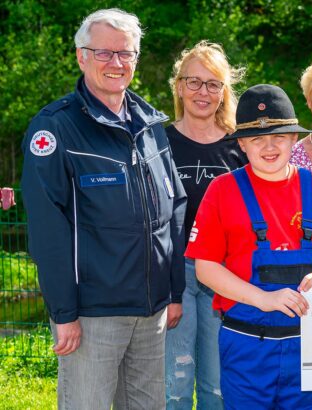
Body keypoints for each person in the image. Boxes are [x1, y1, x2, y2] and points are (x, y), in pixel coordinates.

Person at [21, 8, 186, 409]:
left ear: (136, 60)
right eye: (104, 53)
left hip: (152, 313)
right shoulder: (56, 128)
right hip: (92, 315)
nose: (116, 63)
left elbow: (174, 209)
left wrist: (174, 290)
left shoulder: (150, 126)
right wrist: (64, 311)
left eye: (126, 54)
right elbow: (48, 231)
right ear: (81, 56)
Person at [185, 84, 312, 409]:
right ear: (242, 145)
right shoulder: (222, 190)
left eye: (278, 136)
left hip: (305, 342)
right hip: (246, 343)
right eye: (257, 140)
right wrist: (263, 299)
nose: (269, 147)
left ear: (294, 139)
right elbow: (205, 267)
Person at [164, 40, 247, 409]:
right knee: (175, 385)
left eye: (213, 84)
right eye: (194, 82)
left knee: (217, 387)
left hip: (224, 272)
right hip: (175, 271)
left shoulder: (239, 145)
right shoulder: (158, 141)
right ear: (179, 86)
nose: (203, 92)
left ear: (224, 91)